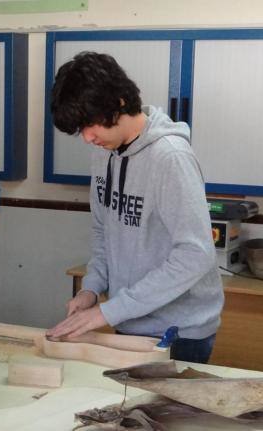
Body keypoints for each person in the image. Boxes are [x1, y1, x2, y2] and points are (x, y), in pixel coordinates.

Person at [46, 51, 224, 363]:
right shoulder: (104, 152)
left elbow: (195, 254)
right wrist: (91, 289)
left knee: (163, 413)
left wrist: (109, 310)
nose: (87, 138)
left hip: (178, 332)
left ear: (119, 103)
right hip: (129, 320)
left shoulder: (170, 158)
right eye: (80, 129)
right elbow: (104, 231)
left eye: (90, 124)